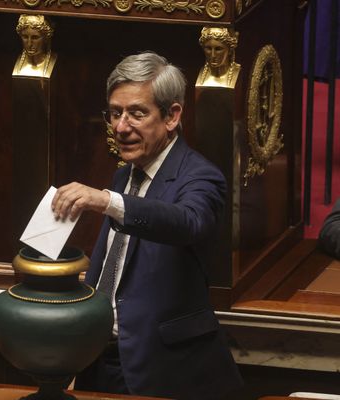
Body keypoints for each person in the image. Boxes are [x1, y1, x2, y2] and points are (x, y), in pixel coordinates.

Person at [52, 51, 243, 399]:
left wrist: (106, 200)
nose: (122, 127)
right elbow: (114, 269)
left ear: (172, 116)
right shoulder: (125, 174)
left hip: (166, 370)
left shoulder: (200, 176)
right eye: (115, 113)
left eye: (137, 113)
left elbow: (188, 222)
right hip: (100, 362)